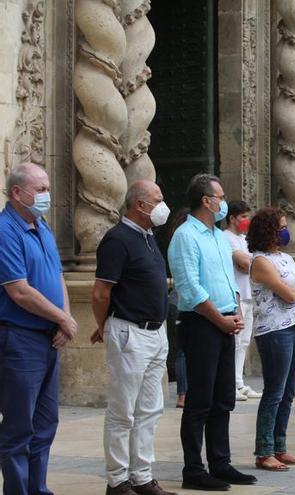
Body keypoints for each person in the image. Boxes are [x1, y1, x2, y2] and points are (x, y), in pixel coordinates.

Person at [167, 174, 255, 490]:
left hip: (226, 320)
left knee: (223, 398)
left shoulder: (218, 236)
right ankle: (193, 469)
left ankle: (221, 462)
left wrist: (237, 311)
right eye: (220, 196)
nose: (223, 202)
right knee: (200, 400)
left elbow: (228, 280)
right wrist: (219, 319)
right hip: (202, 323)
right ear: (207, 200)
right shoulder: (185, 236)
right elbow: (190, 288)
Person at [90, 181, 176, 495]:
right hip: (129, 332)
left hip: (156, 333)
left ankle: (142, 476)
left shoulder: (148, 237)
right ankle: (117, 480)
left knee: (150, 409)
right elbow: (101, 292)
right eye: (158, 199)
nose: (163, 205)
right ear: (139, 205)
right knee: (123, 410)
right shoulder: (118, 239)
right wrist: (104, 327)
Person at [0, 163, 76, 495]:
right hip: (19, 339)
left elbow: (57, 277)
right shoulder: (5, 230)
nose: (47, 195)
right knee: (19, 428)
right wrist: (60, 318)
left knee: (45, 424)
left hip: (48, 338)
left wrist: (65, 318)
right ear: (17, 192)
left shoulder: (41, 227)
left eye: (47, 188)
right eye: (41, 189)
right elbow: (18, 290)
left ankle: (38, 488)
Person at [247, 207, 295, 471]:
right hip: (274, 330)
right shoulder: (261, 261)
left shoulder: (285, 257)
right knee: (274, 391)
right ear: (268, 231)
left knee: (289, 391)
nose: (286, 231)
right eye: (281, 226)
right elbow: (289, 294)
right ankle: (264, 451)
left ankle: (280, 446)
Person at [224, 200, 262, 402]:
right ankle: (230, 383)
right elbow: (246, 263)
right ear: (232, 218)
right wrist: (251, 264)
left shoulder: (245, 239)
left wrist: (251, 264)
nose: (247, 221)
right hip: (236, 296)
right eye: (243, 217)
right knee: (235, 341)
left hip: (250, 295)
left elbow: (252, 263)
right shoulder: (226, 238)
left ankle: (238, 381)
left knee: (244, 342)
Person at [165, 209, 190, 409]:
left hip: (178, 301)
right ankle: (183, 394)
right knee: (183, 351)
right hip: (182, 302)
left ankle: (185, 393)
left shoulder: (177, 239)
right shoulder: (184, 241)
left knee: (184, 351)